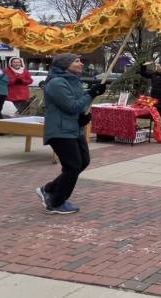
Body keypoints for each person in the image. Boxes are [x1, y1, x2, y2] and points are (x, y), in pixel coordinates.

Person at [35, 54, 106, 214]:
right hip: (60, 131)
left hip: (74, 129)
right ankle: (55, 202)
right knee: (72, 167)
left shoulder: (74, 80)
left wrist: (84, 115)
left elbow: (79, 105)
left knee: (83, 162)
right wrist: (91, 94)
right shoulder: (56, 83)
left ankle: (49, 189)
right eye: (76, 61)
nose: (81, 63)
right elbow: (71, 106)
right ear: (65, 64)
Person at [139, 62, 161, 128]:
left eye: (159, 66)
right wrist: (143, 66)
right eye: (157, 66)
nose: (158, 68)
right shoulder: (154, 74)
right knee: (156, 110)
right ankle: (158, 124)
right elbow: (143, 74)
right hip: (155, 96)